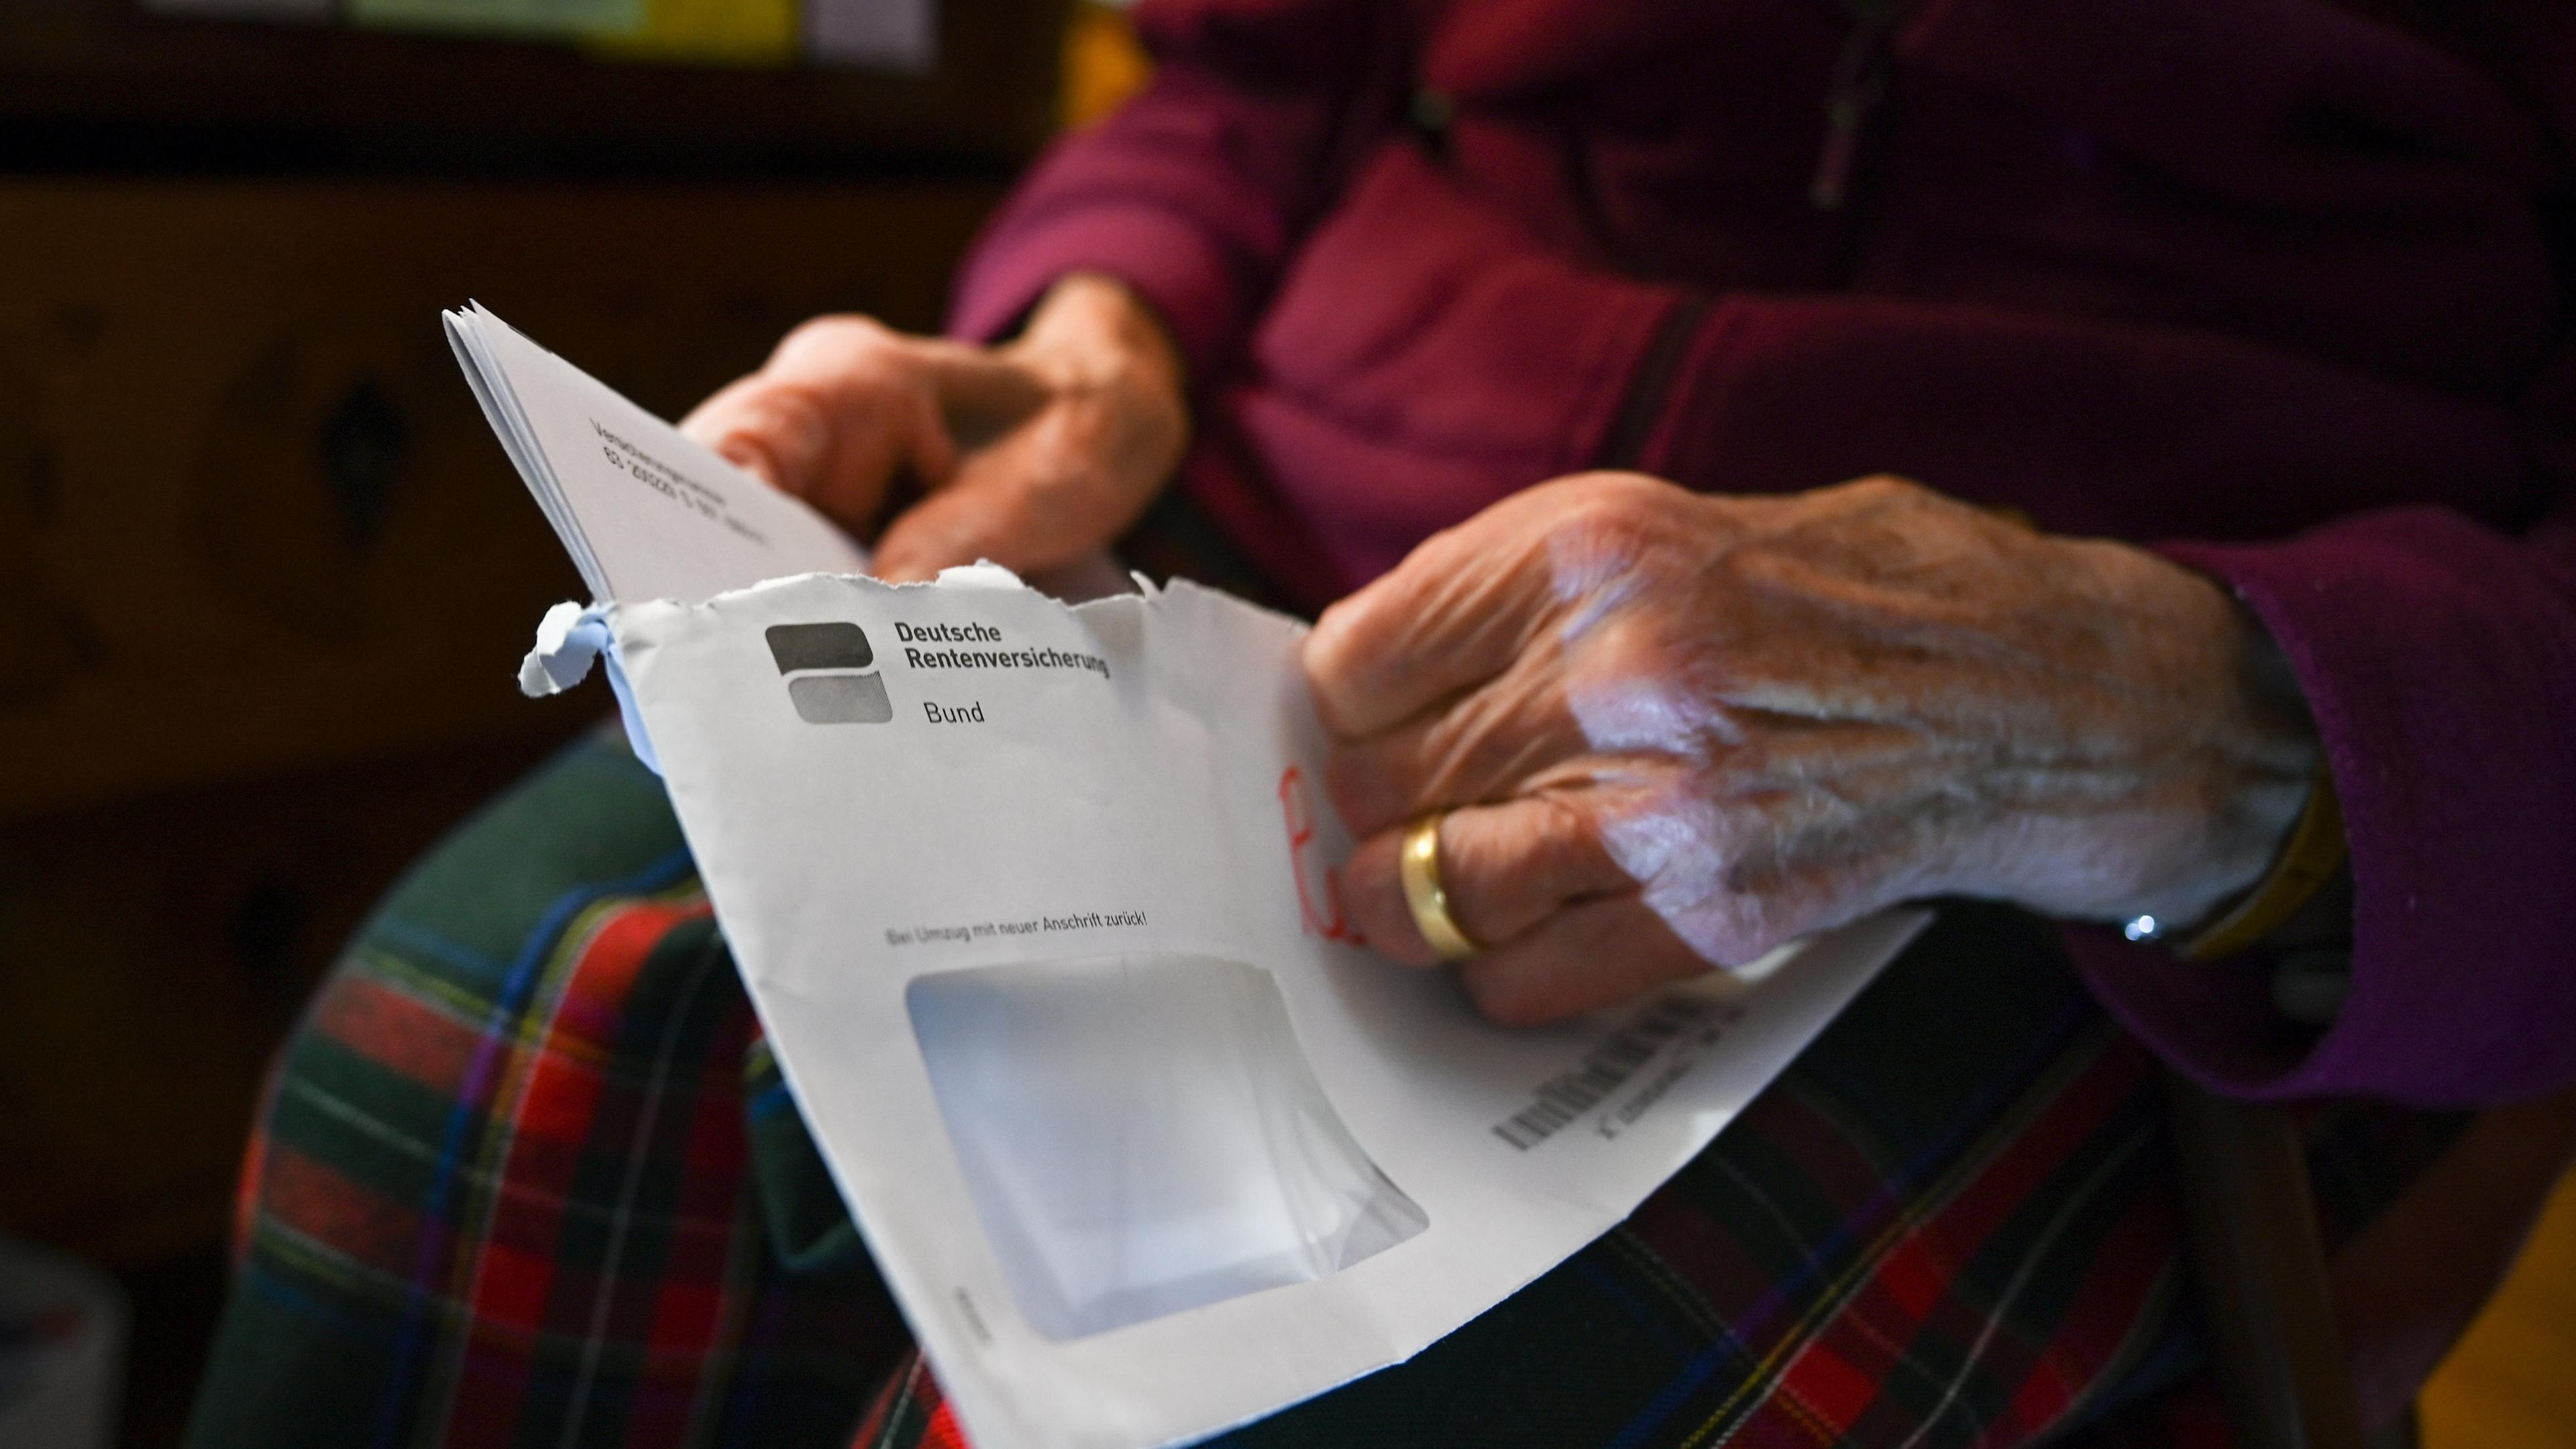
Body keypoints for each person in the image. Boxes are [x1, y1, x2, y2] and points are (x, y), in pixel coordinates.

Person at [188, 1, 2574, 1446]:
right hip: (1281, 518)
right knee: (467, 1090)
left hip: (2140, 732)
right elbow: (1257, 74)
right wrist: (1106, 329)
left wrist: (2193, 718)